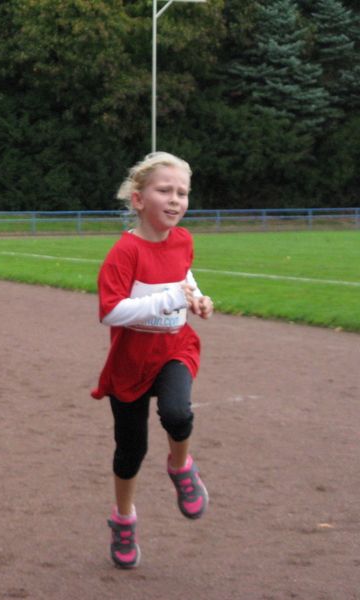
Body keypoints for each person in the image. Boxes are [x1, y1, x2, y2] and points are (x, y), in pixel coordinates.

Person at [92, 152, 214, 569]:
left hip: (174, 348)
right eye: (165, 190)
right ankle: (123, 519)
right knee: (131, 450)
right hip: (130, 363)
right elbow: (110, 312)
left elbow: (184, 276)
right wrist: (168, 298)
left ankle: (181, 467)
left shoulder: (183, 240)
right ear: (139, 199)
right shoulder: (124, 252)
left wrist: (197, 298)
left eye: (182, 192)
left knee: (177, 413)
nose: (176, 199)